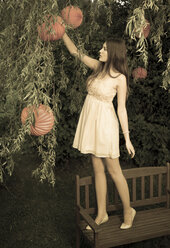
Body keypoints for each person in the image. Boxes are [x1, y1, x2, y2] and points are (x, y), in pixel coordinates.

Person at [62, 32, 136, 229]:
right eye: (102, 48)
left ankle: (129, 211)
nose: (100, 51)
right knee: (97, 169)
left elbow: (121, 109)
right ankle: (101, 213)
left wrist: (127, 138)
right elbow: (74, 51)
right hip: (91, 123)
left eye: (104, 48)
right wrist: (60, 30)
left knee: (114, 170)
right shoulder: (98, 67)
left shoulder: (120, 78)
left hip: (105, 125)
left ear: (113, 53)